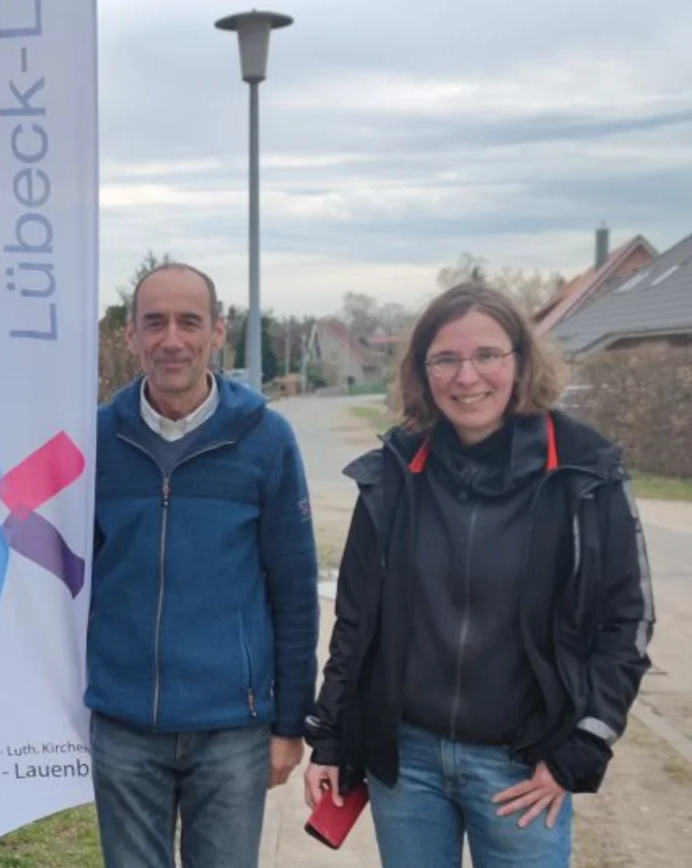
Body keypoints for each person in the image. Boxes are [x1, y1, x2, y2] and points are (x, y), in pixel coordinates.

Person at [303, 283, 656, 867]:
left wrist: (584, 744)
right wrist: (331, 738)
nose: (467, 377)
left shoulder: (585, 472)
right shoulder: (395, 473)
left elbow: (628, 620)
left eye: (487, 355)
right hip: (406, 765)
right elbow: (357, 621)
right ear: (423, 372)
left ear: (520, 360)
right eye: (445, 359)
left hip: (521, 766)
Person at [85, 263, 320, 868]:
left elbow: (294, 591)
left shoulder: (267, 439)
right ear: (130, 335)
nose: (172, 340)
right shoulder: (95, 441)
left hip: (232, 728)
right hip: (123, 723)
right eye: (154, 322)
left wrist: (290, 722)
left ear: (218, 331)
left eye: (189, 322)